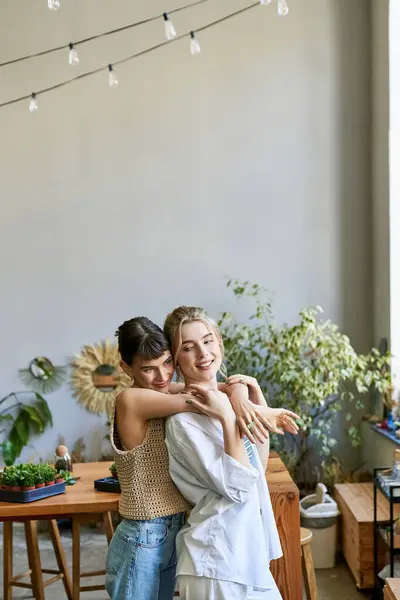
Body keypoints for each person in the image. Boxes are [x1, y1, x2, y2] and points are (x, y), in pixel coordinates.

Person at [105, 316, 295, 600]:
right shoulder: (131, 399)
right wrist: (258, 410)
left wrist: (242, 393)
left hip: (171, 531)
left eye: (167, 362)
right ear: (126, 368)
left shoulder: (160, 388)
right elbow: (204, 400)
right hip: (142, 536)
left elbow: (215, 389)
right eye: (148, 369)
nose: (162, 376)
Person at [163, 306, 299, 600]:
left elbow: (255, 469)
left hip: (245, 556)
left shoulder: (230, 402)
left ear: (219, 343)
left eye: (208, 340)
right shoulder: (182, 423)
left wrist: (255, 404)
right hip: (216, 562)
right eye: (189, 347)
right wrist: (227, 417)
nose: (203, 353)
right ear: (175, 360)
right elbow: (237, 489)